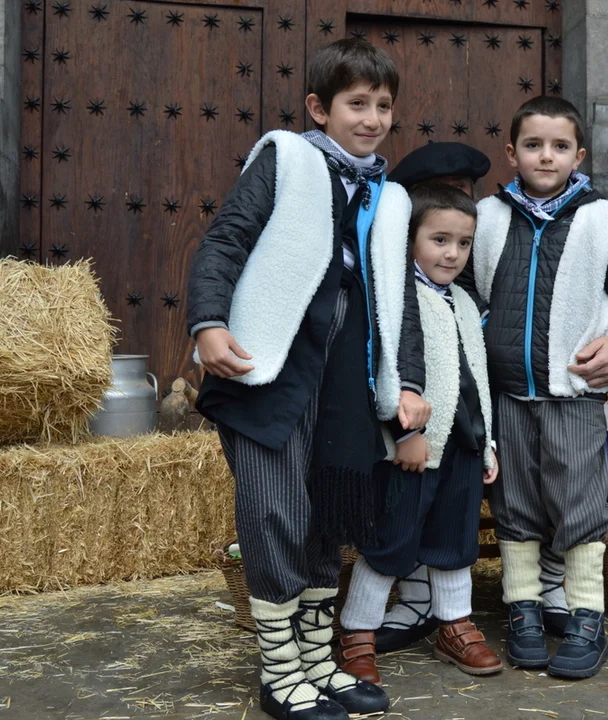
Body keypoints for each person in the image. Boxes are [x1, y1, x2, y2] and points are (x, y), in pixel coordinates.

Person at [186, 39, 431, 720]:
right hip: (273, 369)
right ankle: (279, 671)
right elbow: (226, 240)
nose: (373, 118)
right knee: (277, 512)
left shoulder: (390, 198)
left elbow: (401, 301)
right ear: (319, 109)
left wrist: (409, 382)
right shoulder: (286, 159)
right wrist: (208, 322)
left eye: (384, 105)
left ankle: (317, 660)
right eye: (357, 104)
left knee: (328, 515)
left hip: (346, 381)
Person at [471, 96, 608, 679]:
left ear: (579, 156)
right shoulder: (488, 218)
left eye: (559, 146)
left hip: (573, 395)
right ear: (512, 153)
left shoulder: (604, 221)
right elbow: (470, 297)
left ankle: (586, 617)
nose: (545, 156)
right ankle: (523, 610)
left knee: (580, 503)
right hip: (508, 396)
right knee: (516, 505)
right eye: (533, 145)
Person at [337, 183, 504, 682]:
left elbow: (476, 377)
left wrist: (487, 444)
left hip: (463, 445)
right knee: (391, 540)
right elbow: (386, 370)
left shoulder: (465, 302)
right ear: (410, 239)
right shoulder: (397, 297)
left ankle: (454, 625)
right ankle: (358, 633)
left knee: (455, 540)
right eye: (439, 240)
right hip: (412, 447)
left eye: (463, 243)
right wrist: (403, 432)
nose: (452, 253)